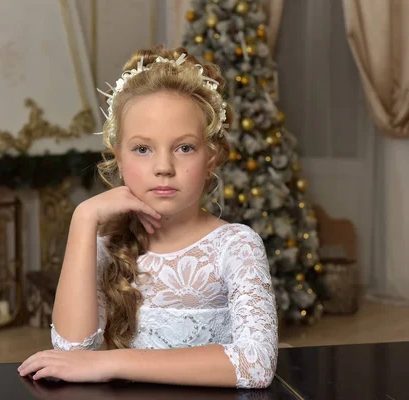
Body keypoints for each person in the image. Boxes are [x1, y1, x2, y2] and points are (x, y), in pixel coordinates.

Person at [18, 46, 279, 389]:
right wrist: (82, 219)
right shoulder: (104, 246)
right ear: (119, 159)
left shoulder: (236, 245)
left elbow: (255, 365)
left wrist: (110, 363)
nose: (163, 168)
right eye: (142, 149)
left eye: (184, 147)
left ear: (211, 157)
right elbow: (71, 350)